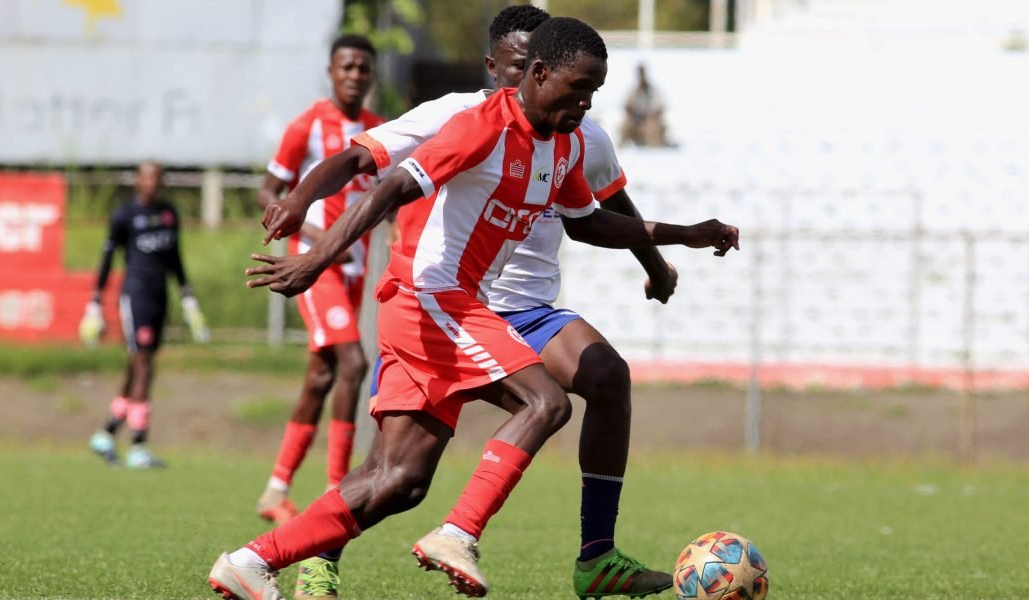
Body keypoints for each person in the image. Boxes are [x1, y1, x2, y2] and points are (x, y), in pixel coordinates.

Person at [208, 17, 739, 600]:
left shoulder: (561, 144)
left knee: (399, 479)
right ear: (534, 73)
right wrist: (316, 259)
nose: (586, 104)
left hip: (454, 307)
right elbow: (386, 187)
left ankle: (251, 561)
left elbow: (589, 221)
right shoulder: (477, 126)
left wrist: (683, 234)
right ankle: (458, 533)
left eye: (594, 92)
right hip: (428, 298)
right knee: (546, 401)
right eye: (577, 89)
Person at [253, 34, 384, 528]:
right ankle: (335, 492)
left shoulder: (379, 132)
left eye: (362, 68)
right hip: (312, 264)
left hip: (353, 271)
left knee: (322, 375)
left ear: (371, 75)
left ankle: (276, 488)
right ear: (331, 72)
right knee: (353, 361)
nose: (354, 75)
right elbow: (270, 188)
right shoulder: (308, 125)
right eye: (346, 66)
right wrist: (313, 231)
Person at [84, 161, 208, 469]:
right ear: (137, 181)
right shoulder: (125, 216)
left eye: (157, 177)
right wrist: (95, 302)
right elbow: (106, 258)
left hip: (159, 297)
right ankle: (138, 443)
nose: (151, 182)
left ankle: (106, 433)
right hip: (135, 296)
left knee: (138, 363)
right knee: (143, 365)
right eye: (146, 177)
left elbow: (175, 259)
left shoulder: (168, 215)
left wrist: (188, 297)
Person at [620, 64, 668, 147]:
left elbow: (659, 109)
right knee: (624, 125)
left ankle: (654, 149)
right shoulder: (633, 90)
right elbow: (627, 107)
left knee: (652, 126)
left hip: (650, 122)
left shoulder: (654, 91)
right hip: (636, 122)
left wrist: (649, 118)